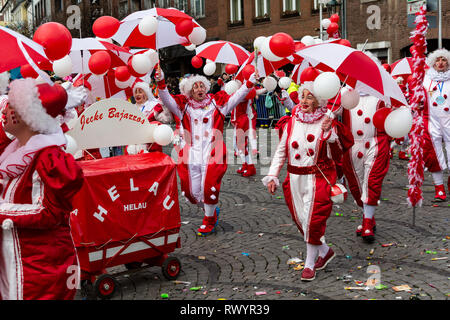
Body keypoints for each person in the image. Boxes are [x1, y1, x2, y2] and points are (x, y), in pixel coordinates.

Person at [0, 78, 84, 299]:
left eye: (11, 106)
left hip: (41, 267)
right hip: (15, 260)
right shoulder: (14, 150)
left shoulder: (49, 158)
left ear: (28, 118)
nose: (5, 110)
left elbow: (48, 212)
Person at [262, 82, 350, 281]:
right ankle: (325, 251)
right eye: (302, 96)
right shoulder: (291, 122)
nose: (304, 101)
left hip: (317, 179)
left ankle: (310, 264)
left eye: (309, 97)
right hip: (293, 180)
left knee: (313, 220)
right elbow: (281, 151)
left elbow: (337, 156)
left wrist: (330, 135)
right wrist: (273, 175)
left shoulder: (327, 123)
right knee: (302, 220)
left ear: (319, 102)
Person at [155, 67, 257, 236]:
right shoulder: (183, 107)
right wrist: (160, 80)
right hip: (191, 154)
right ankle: (210, 209)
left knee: (209, 188)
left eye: (202, 86)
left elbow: (237, 96)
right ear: (189, 91)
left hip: (212, 152)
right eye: (195, 87)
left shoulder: (218, 104)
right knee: (190, 193)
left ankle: (208, 219)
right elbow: (166, 98)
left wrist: (250, 81)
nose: (199, 89)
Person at [339, 91, 390, 243]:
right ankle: (369, 216)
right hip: (352, 145)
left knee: (372, 181)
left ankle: (367, 222)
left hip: (375, 143)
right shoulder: (343, 93)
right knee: (356, 186)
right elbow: (332, 111)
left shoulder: (382, 94)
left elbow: (393, 115)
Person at [422, 48, 450, 201]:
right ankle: (439, 188)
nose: (440, 63)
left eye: (444, 60)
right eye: (438, 60)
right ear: (433, 63)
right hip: (432, 122)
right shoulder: (426, 79)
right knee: (434, 155)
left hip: (449, 121)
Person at [129, 81, 173, 153]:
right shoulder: (131, 108)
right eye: (135, 92)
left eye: (140, 92)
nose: (137, 94)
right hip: (134, 147)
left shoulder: (154, 106)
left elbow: (167, 119)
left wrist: (164, 105)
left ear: (146, 93)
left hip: (152, 147)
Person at [232, 87, 265, 177]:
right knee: (236, 145)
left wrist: (267, 87)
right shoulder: (239, 92)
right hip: (238, 121)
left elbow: (256, 91)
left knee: (241, 146)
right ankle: (245, 165)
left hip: (242, 121)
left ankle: (251, 167)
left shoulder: (243, 94)